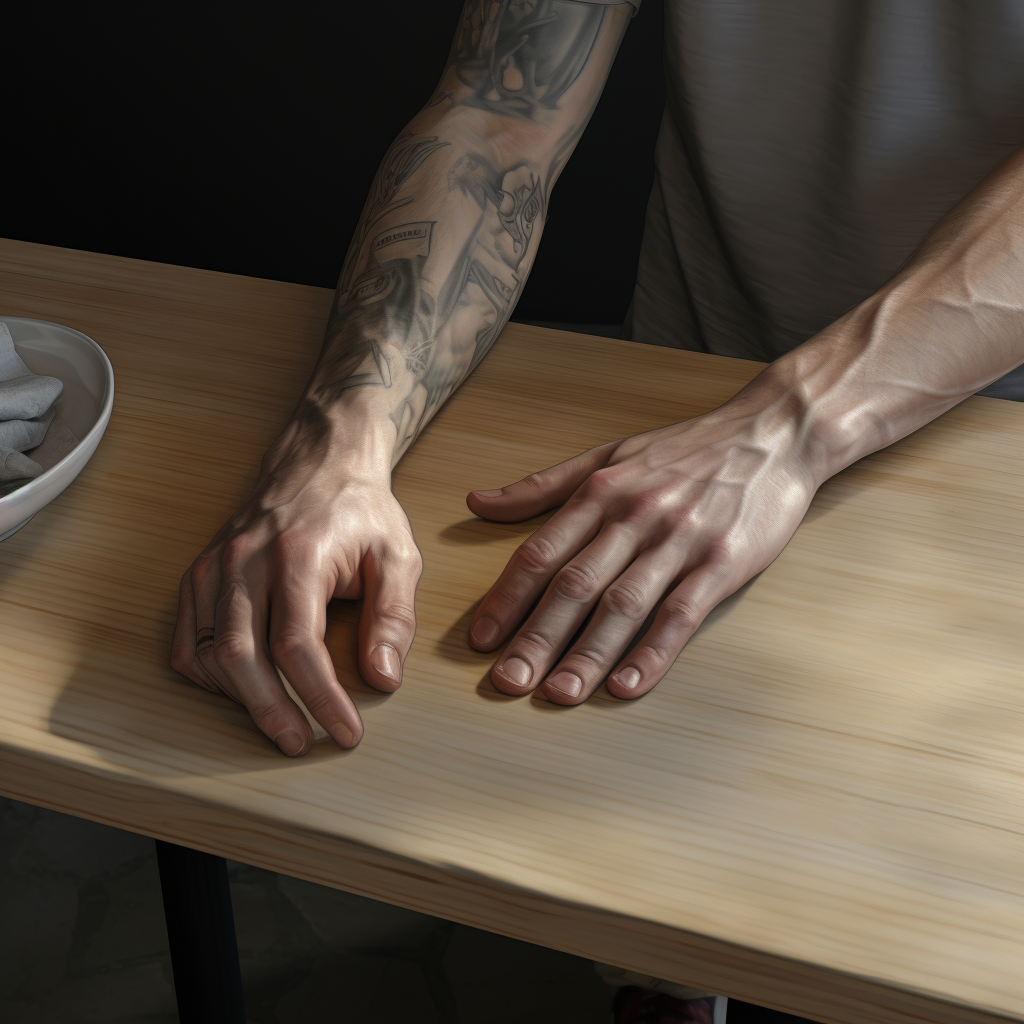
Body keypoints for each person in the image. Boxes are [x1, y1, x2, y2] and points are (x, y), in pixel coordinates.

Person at [171, 3, 1024, 1013]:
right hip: (683, 373)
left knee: (920, 934)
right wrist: (335, 443)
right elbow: (497, 109)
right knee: (652, 879)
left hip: (983, 443)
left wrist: (791, 422)